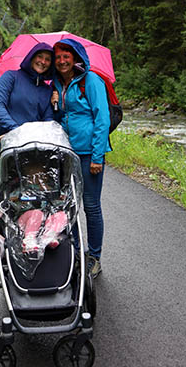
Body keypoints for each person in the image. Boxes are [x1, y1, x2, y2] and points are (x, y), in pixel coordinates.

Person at [51, 39, 110, 279]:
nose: (62, 61)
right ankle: (76, 252)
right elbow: (65, 117)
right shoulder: (57, 83)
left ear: (75, 58)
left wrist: (97, 156)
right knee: (68, 206)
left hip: (88, 155)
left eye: (66, 56)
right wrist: (56, 104)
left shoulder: (91, 81)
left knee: (91, 206)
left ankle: (94, 257)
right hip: (66, 153)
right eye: (58, 57)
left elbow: (102, 118)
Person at [0, 42, 55, 157]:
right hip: (7, 143)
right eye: (40, 56)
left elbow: (48, 119)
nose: (43, 62)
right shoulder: (11, 77)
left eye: (48, 59)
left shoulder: (48, 90)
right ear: (32, 57)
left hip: (35, 149)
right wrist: (16, 130)